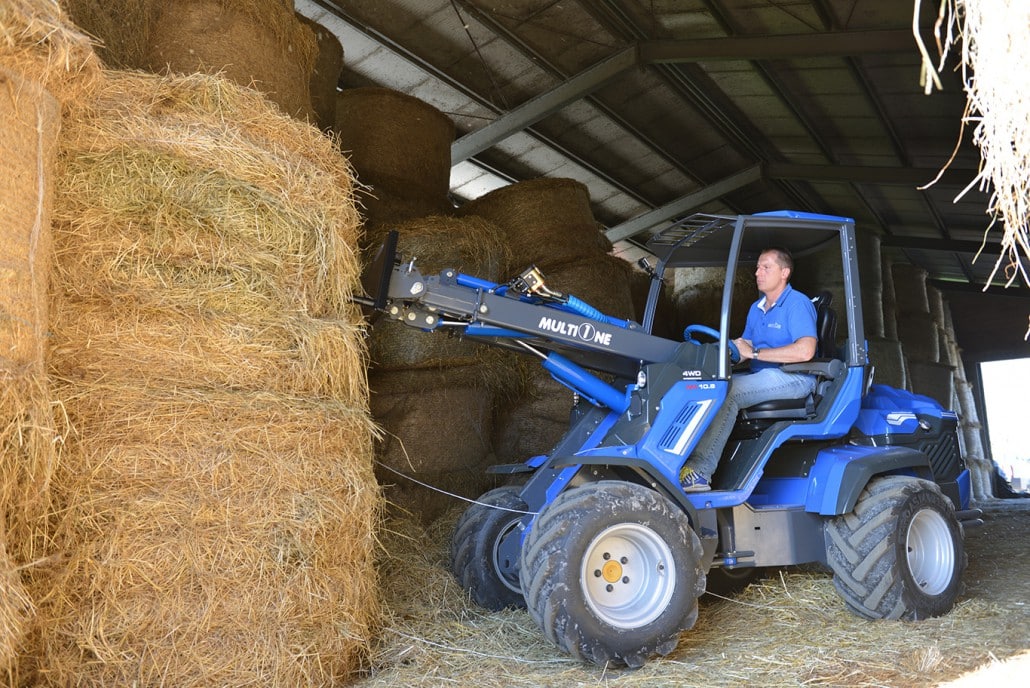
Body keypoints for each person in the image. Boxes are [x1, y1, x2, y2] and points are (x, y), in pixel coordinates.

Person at [679, 247, 818, 492]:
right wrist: (718, 351)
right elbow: (747, 345)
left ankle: (700, 471)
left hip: (794, 376)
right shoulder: (757, 307)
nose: (757, 273)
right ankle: (679, 458)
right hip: (762, 374)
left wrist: (754, 354)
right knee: (704, 384)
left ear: (784, 272)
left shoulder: (797, 304)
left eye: (766, 267)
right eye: (757, 267)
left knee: (729, 392)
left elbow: (805, 351)